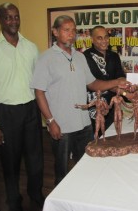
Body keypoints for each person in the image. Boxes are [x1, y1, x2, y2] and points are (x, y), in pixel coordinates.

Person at [31, 15, 127, 185]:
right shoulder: (46, 58)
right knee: (62, 171)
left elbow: (92, 84)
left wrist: (117, 82)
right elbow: (39, 92)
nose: (71, 34)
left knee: (86, 166)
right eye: (66, 30)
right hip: (62, 126)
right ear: (55, 32)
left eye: (73, 30)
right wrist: (50, 121)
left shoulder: (80, 57)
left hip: (84, 124)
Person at [0, 3, 44, 211]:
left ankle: (36, 193)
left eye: (16, 16)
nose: (13, 21)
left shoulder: (31, 47)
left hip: (31, 110)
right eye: (8, 17)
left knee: (36, 159)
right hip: (6, 113)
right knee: (10, 162)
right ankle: (13, 200)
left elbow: (39, 83)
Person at [84, 25, 126, 137]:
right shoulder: (85, 57)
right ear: (92, 39)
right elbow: (97, 83)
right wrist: (120, 86)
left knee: (113, 136)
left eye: (106, 37)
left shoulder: (114, 56)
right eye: (99, 38)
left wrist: (124, 83)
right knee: (95, 139)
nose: (104, 41)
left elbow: (121, 76)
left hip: (113, 105)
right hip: (95, 106)